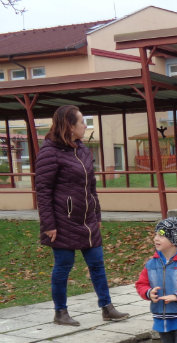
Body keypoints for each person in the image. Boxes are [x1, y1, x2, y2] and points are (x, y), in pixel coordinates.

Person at [35, 104, 129, 326]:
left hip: (87, 220)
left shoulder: (83, 150)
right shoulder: (49, 152)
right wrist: (49, 224)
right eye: (82, 122)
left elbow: (91, 186)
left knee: (97, 263)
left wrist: (97, 214)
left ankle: (107, 308)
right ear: (70, 126)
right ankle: (60, 312)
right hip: (62, 220)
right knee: (63, 266)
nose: (85, 126)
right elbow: (43, 191)